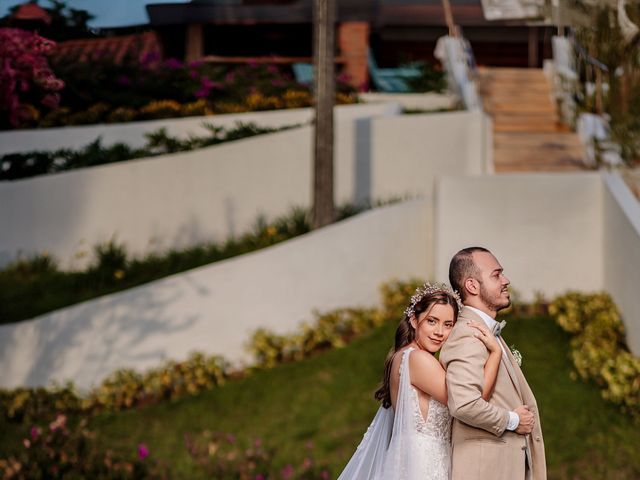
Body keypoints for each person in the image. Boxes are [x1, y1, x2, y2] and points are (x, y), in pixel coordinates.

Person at [337, 282, 501, 480]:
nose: (439, 331)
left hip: (409, 460)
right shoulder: (419, 359)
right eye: (432, 321)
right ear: (414, 320)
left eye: (448, 324)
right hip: (423, 465)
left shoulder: (402, 355)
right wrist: (495, 354)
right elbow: (471, 400)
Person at [440, 247, 546, 480]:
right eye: (496, 275)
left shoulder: (487, 333)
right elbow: (464, 404)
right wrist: (513, 420)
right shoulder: (468, 335)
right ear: (472, 286)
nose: (506, 280)